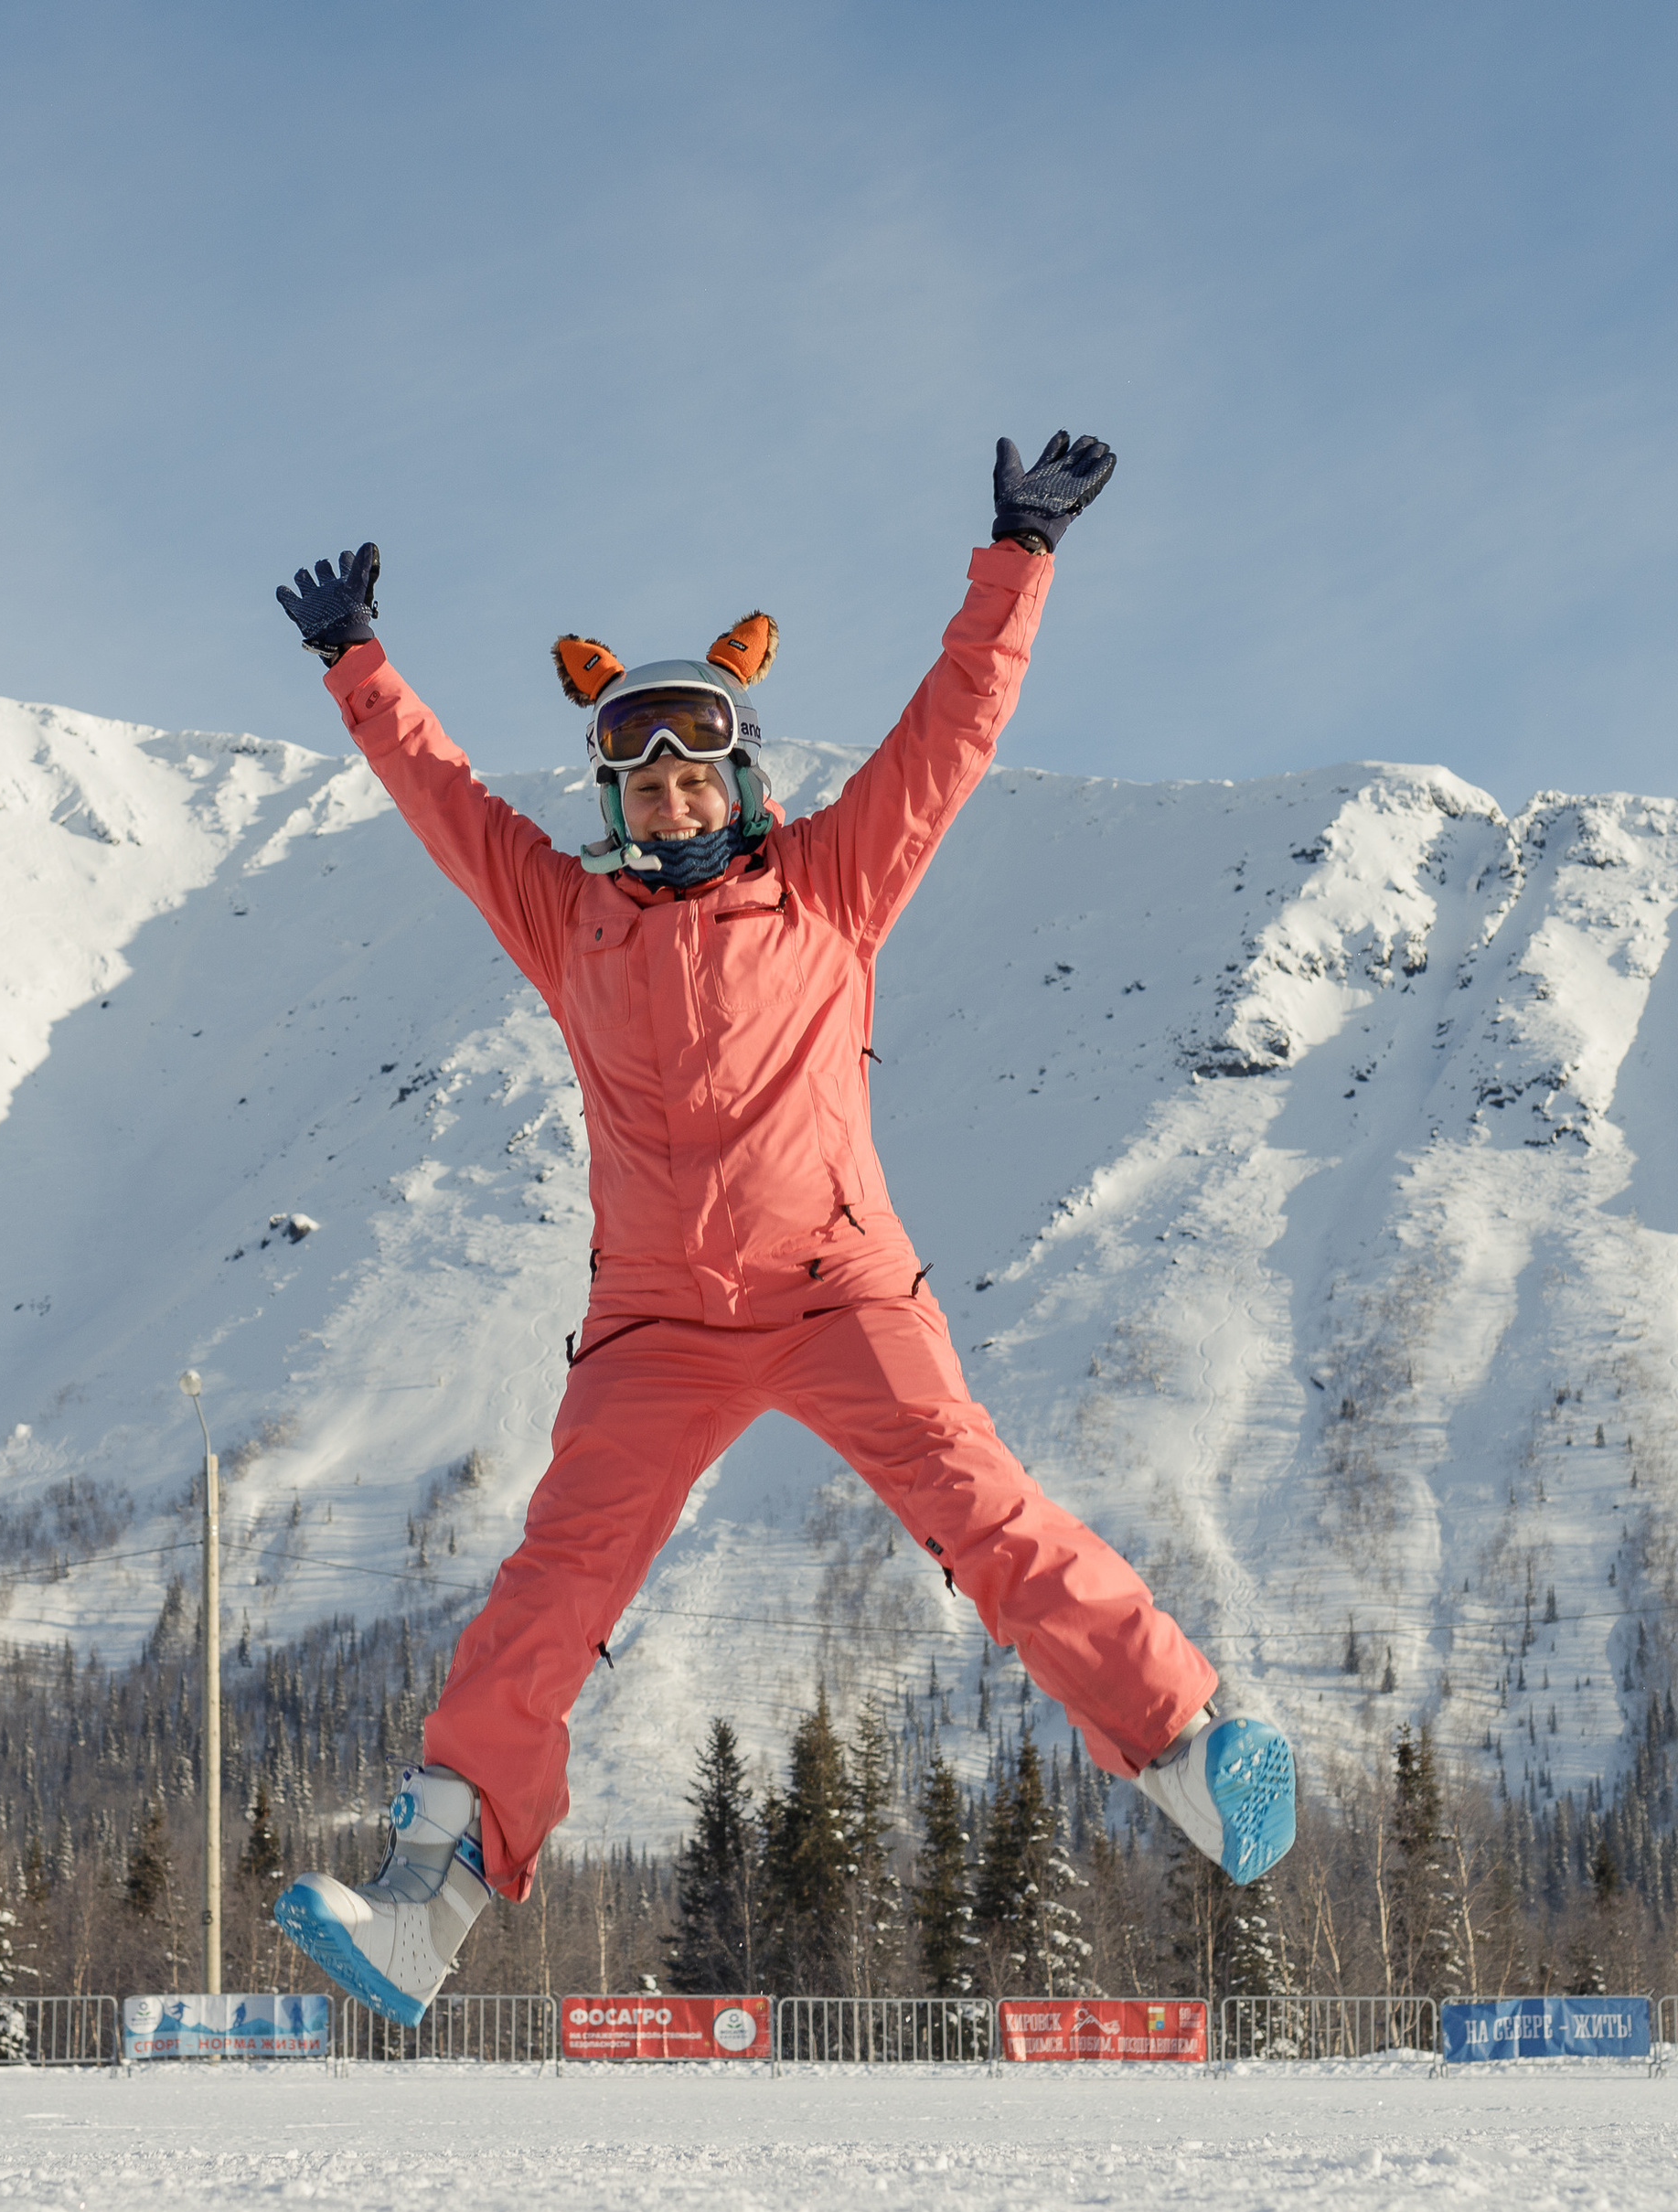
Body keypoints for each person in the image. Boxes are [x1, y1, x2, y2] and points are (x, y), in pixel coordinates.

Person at [267, 435, 1296, 2025]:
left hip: (838, 1292)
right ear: (615, 803)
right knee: (550, 1591)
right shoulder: (569, 920)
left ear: (742, 783)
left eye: (697, 777)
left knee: (980, 1507)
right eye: (645, 784)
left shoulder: (829, 887)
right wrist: (357, 663)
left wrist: (1017, 558)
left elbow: (951, 733)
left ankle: (1188, 1746)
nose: (672, 800)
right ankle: (428, 1902)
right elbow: (445, 803)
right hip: (656, 1328)